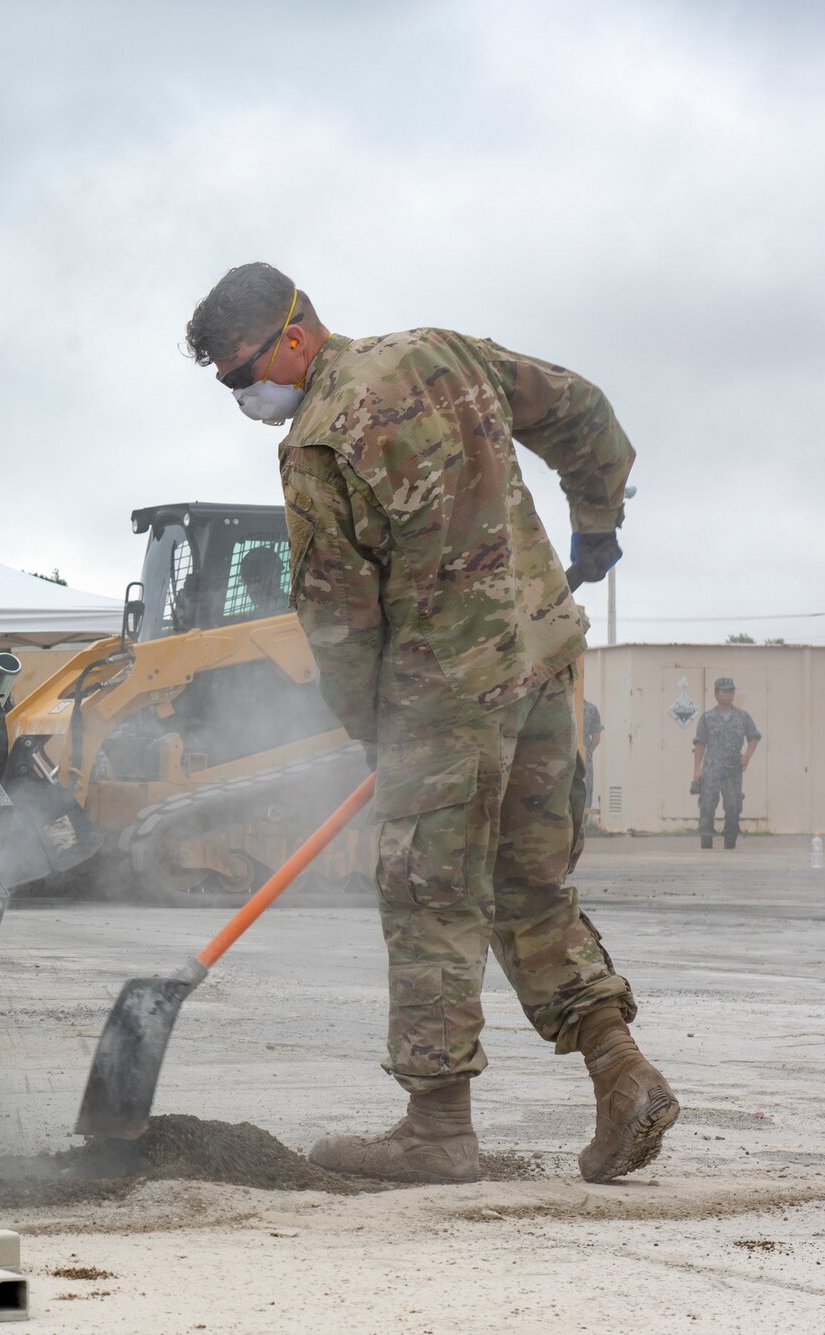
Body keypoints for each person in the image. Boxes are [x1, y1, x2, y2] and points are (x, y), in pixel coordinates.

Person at [186, 262, 674, 1185]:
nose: (243, 396)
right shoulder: (445, 353)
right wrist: (596, 521)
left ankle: (437, 1129)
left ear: (295, 335)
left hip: (442, 691)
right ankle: (622, 1071)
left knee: (428, 896)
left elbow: (338, 617)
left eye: (240, 375)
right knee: (528, 884)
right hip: (541, 657)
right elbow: (584, 412)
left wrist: (375, 726)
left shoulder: (316, 443)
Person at [691, 677, 759, 850]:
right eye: (725, 691)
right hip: (712, 768)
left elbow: (754, 737)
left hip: (733, 769)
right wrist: (696, 769)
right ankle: (706, 844)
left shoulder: (742, 716)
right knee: (707, 806)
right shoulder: (707, 718)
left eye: (731, 691)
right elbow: (700, 744)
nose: (729, 695)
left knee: (733, 806)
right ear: (716, 694)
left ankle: (730, 844)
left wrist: (747, 756)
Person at [238, 545, 287, 618]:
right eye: (246, 584)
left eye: (250, 583)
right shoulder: (257, 616)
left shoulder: (292, 612)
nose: (248, 590)